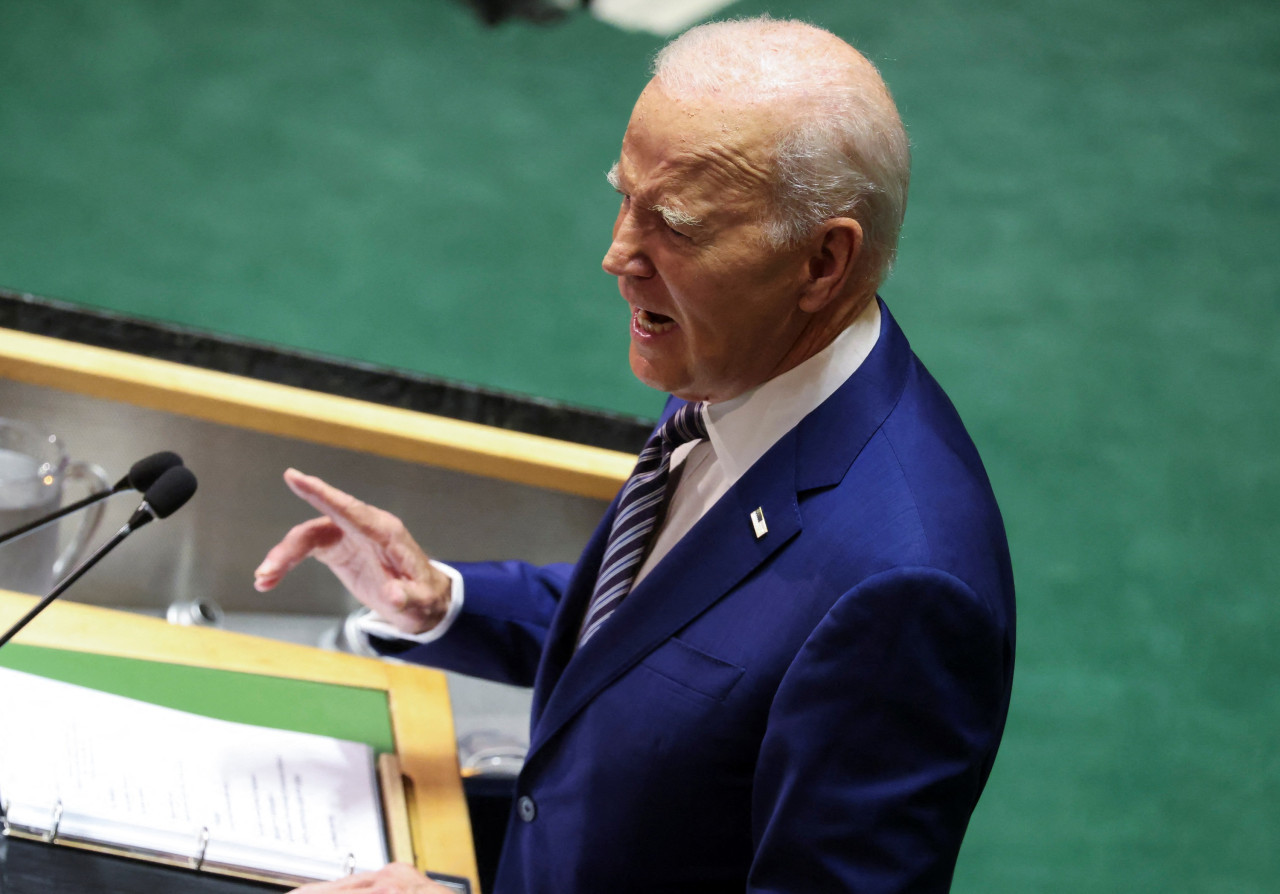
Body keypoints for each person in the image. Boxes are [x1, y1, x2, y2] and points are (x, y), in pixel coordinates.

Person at [256, 15, 1015, 894]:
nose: (617, 254)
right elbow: (670, 629)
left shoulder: (903, 593)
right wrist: (445, 602)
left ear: (821, 264)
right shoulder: (746, 367)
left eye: (676, 227)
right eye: (623, 198)